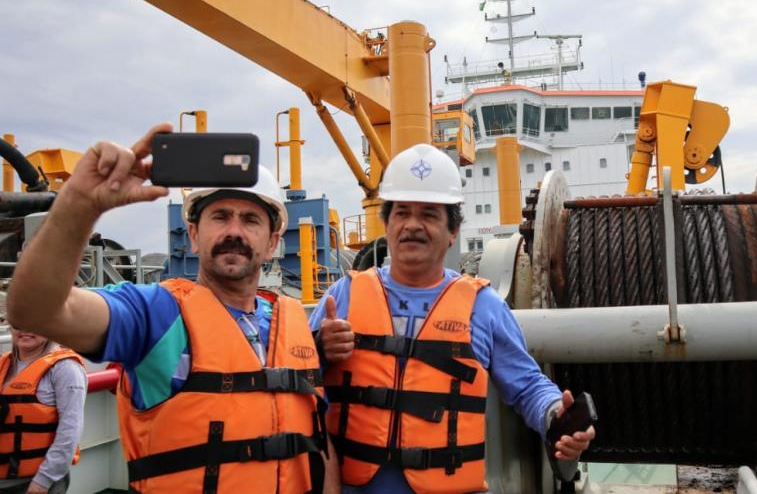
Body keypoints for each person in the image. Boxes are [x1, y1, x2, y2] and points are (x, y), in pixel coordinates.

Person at [6, 124, 339, 493]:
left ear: (273, 242)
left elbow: (317, 444)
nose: (234, 231)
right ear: (193, 236)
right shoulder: (155, 315)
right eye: (220, 216)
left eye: (250, 219)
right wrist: (80, 205)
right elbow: (37, 311)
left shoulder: (293, 321)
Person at [311, 144, 595, 493]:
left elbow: (527, 386)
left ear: (452, 232)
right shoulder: (342, 296)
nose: (412, 225)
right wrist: (319, 349)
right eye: (402, 213)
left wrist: (557, 416)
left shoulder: (484, 306)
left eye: (429, 215)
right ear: (387, 224)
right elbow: (298, 386)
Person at [0, 327, 85, 494]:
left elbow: (70, 431)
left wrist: (42, 482)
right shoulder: (3, 364)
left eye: (34, 322)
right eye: (19, 323)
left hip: (36, 482)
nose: (25, 329)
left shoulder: (65, 369)